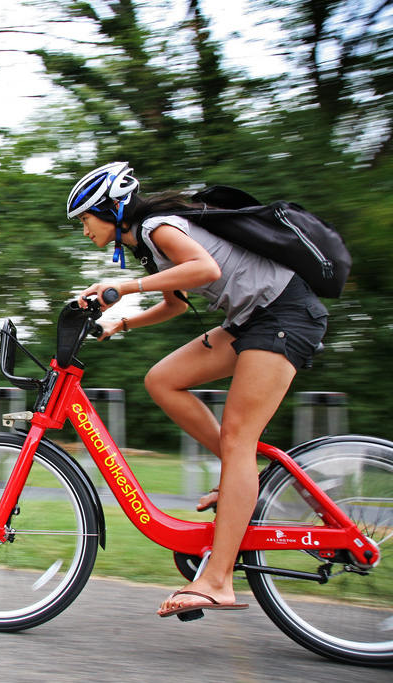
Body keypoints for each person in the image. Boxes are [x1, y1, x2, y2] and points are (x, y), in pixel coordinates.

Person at [66, 161, 329, 619]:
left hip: (284, 316)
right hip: (251, 320)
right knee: (162, 380)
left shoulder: (156, 226)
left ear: (109, 209)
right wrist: (119, 321)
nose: (84, 229)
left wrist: (123, 288)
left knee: (238, 437)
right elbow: (173, 303)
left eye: (86, 218)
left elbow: (203, 268)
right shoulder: (149, 244)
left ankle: (218, 581)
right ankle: (243, 477)